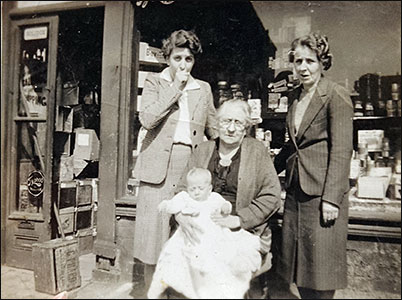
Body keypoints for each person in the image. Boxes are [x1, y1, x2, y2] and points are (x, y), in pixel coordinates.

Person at [132, 29, 218, 291]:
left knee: (189, 241)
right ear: (167, 58)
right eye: (177, 58)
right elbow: (147, 119)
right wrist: (176, 88)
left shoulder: (203, 89)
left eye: (188, 59)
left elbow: (213, 130)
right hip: (157, 170)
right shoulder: (154, 83)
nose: (183, 65)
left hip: (191, 170)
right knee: (153, 245)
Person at [174, 99, 282, 298]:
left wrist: (240, 219)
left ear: (246, 127)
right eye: (225, 121)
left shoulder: (257, 151)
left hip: (243, 232)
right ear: (217, 123)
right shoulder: (203, 150)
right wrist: (181, 215)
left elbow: (272, 195)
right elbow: (181, 189)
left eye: (238, 123)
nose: (231, 129)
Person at [273, 33, 354, 299]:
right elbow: (293, 145)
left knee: (321, 274)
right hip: (296, 194)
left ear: (322, 62)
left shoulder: (335, 96)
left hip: (321, 196)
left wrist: (332, 199)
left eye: (310, 61)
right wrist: (268, 169)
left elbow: (342, 151)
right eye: (298, 61)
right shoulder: (295, 97)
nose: (303, 68)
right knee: (301, 272)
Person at [148, 168, 262, 299]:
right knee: (182, 262)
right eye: (192, 189)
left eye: (200, 189)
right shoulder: (185, 198)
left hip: (211, 236)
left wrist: (225, 208)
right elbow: (174, 204)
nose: (196, 192)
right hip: (191, 236)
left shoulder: (213, 198)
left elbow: (225, 205)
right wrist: (165, 205)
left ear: (209, 188)